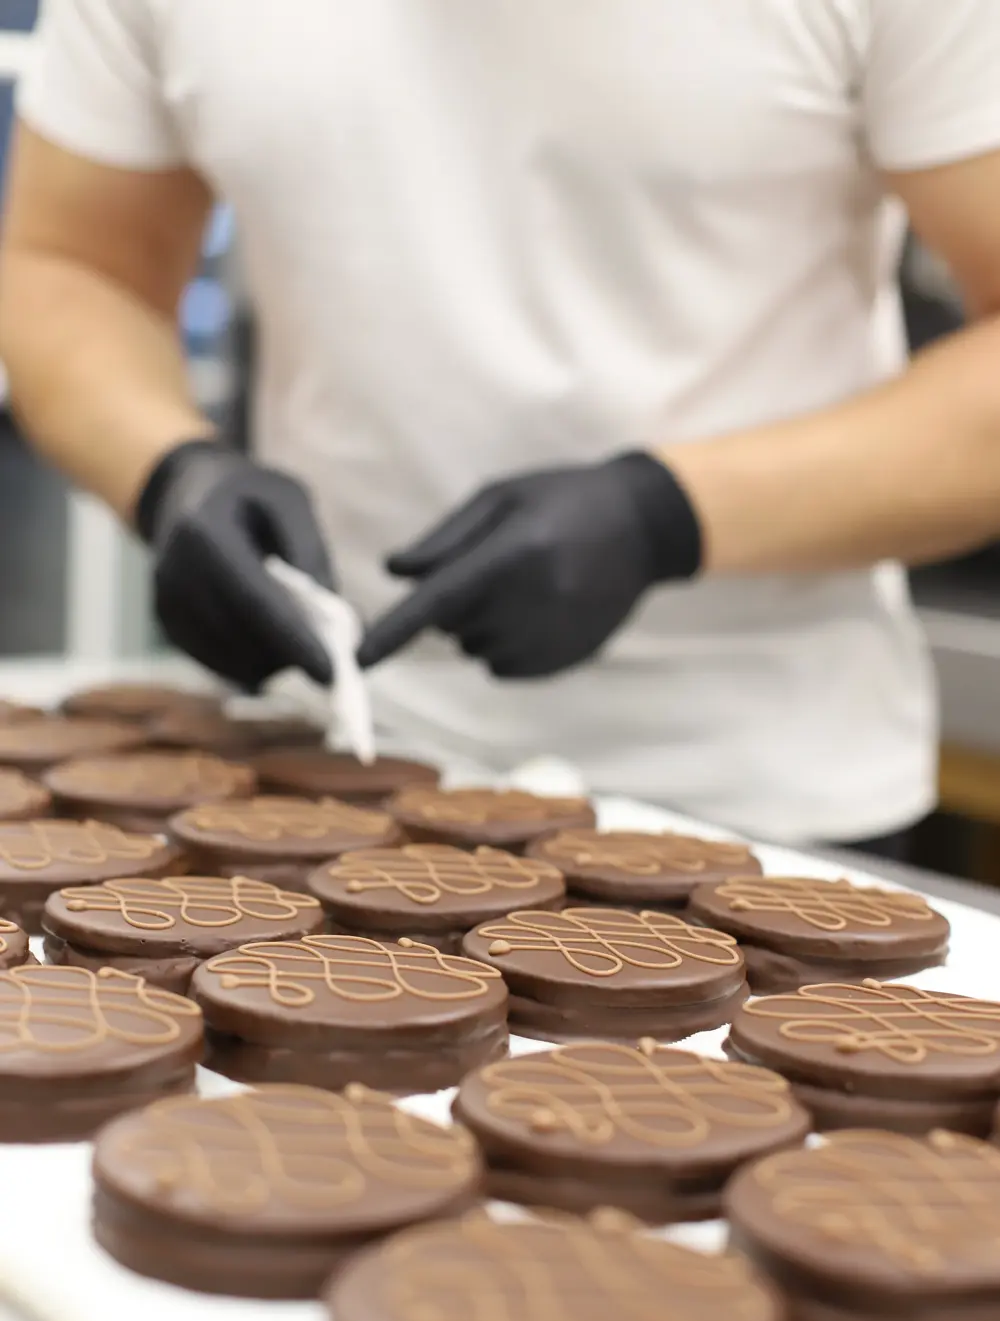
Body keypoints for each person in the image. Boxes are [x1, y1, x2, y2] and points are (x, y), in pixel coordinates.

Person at [2, 2, 1000, 850]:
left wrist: (666, 515)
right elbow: (73, 265)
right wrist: (170, 473)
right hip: (328, 759)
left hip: (760, 794)